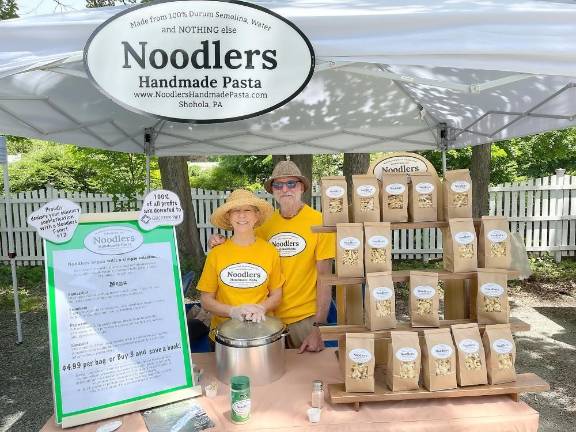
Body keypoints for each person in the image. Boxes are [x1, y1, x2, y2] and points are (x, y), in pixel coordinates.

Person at [210, 161, 335, 353]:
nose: (285, 189)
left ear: (302, 187)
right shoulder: (264, 226)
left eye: (291, 183)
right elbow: (244, 247)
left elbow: (325, 278)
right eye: (278, 185)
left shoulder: (319, 223)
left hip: (304, 319)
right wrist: (221, 242)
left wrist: (318, 326)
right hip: (266, 319)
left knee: (306, 376)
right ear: (272, 190)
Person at [198, 189, 285, 334]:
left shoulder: (270, 251)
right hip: (224, 336)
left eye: (247, 210)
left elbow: (277, 296)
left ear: (257, 216)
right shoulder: (216, 253)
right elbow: (206, 300)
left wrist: (261, 308)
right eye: (235, 210)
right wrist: (232, 311)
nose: (242, 215)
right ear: (229, 216)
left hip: (262, 332)